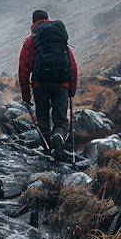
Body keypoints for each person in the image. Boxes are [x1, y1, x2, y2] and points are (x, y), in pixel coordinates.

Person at [18, 9, 77, 162]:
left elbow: (23, 70)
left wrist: (26, 95)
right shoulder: (59, 39)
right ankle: (58, 137)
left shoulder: (31, 41)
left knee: (43, 117)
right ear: (48, 19)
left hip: (40, 84)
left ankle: (47, 148)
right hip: (61, 84)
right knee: (61, 119)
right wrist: (71, 89)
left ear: (33, 23)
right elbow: (72, 66)